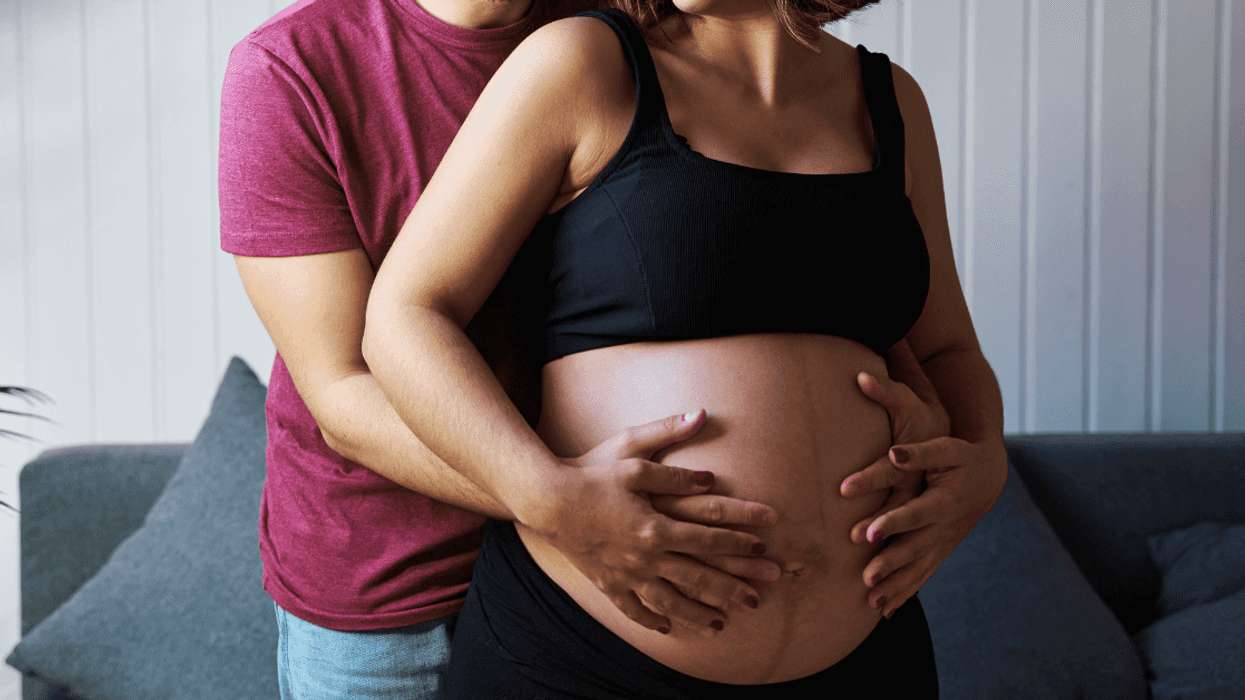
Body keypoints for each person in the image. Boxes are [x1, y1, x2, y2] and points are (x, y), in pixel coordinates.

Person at [362, 0, 1008, 695]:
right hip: (582, 658)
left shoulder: (892, 101)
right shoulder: (583, 63)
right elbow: (406, 315)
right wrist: (544, 496)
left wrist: (984, 466)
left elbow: (946, 350)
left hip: (869, 653)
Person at [219, 0, 805, 697]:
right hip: (394, 591)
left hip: (595, 579)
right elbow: (343, 390)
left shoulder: (621, 33)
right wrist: (558, 501)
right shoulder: (290, 68)